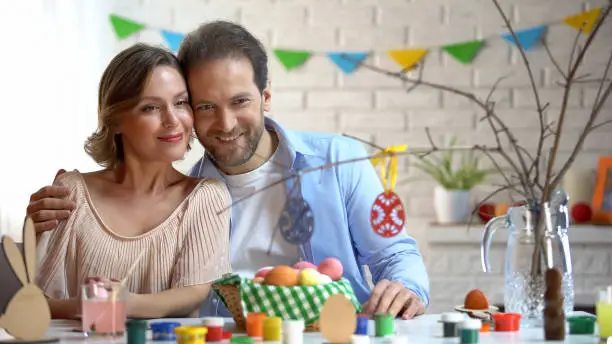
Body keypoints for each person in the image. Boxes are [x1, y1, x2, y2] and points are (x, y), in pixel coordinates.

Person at [27, 21, 430, 319]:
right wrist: (45, 225)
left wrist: (407, 288)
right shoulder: (197, 195)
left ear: (265, 96)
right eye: (205, 106)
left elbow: (395, 252)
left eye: (240, 101)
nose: (225, 124)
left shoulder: (342, 161)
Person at [33, 43, 231, 319]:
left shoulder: (206, 197)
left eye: (181, 102)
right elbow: (33, 304)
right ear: (115, 121)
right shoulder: (71, 193)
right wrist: (89, 307)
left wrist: (120, 305)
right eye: (150, 107)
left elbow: (191, 294)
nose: (173, 120)